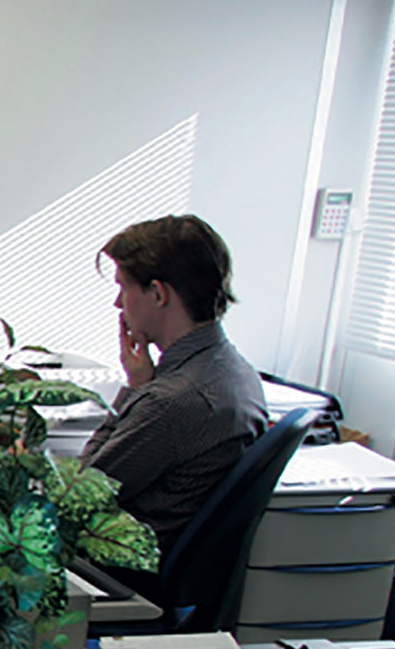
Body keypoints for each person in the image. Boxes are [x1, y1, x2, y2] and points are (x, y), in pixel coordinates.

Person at [80, 214, 267, 556]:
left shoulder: (173, 402)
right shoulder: (233, 369)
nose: (118, 303)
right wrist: (140, 384)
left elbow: (78, 494)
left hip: (118, 567)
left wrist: (134, 391)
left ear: (157, 293)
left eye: (123, 288)